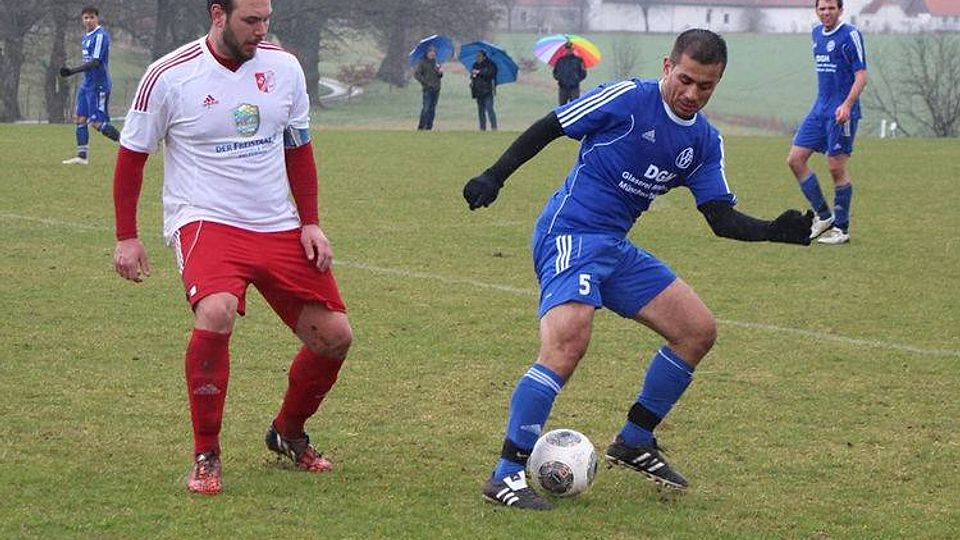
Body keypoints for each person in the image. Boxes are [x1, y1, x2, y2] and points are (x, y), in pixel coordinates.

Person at [462, 29, 813, 510]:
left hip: (613, 246)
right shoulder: (629, 99)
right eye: (685, 79)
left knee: (697, 331)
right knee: (567, 344)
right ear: (668, 66)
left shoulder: (704, 141)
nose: (692, 94)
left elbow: (719, 217)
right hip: (569, 233)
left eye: (705, 86)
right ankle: (505, 474)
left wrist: (774, 230)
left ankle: (634, 440)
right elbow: (552, 125)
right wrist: (494, 176)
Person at [112, 0, 353, 496]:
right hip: (205, 220)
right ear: (218, 14)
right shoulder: (168, 76)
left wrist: (310, 222)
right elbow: (132, 158)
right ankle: (207, 453)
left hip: (276, 224)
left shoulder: (285, 68)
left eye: (266, 20)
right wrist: (126, 236)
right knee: (216, 311)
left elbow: (298, 147)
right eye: (250, 21)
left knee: (335, 337)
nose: (261, 30)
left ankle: (287, 432)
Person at [787, 0, 867, 245]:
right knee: (795, 159)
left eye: (831, 8)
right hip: (819, 110)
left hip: (842, 112)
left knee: (835, 167)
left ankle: (841, 229)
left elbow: (861, 76)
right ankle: (824, 216)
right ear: (817, 11)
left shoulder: (850, 35)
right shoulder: (816, 33)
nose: (826, 12)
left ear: (840, 10)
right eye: (822, 8)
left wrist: (847, 105)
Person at [60, 5, 120, 165]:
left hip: (98, 85)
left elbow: (95, 62)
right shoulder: (86, 37)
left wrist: (72, 71)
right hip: (87, 84)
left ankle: (130, 145)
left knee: (96, 123)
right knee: (80, 118)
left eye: (92, 17)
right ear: (82, 19)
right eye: (86, 17)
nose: (89, 20)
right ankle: (82, 157)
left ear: (97, 18)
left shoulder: (100, 36)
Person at [413, 46, 443, 130]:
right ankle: (421, 126)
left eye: (434, 52)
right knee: (426, 108)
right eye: (430, 51)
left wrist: (440, 72)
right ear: (427, 53)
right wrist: (426, 82)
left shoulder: (436, 62)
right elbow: (417, 74)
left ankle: (429, 127)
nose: (432, 53)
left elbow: (439, 76)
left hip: (436, 88)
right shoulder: (422, 62)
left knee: (432, 109)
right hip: (427, 89)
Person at [470, 50, 498, 131]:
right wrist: (472, 80)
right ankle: (482, 128)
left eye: (479, 56)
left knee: (489, 108)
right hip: (478, 91)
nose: (477, 58)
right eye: (477, 56)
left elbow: (490, 74)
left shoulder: (491, 64)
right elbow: (473, 76)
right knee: (480, 110)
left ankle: (494, 127)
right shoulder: (475, 64)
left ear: (484, 57)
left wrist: (479, 72)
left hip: (488, 91)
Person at [552, 41, 586, 105]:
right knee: (562, 107)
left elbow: (583, 73)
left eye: (570, 49)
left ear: (573, 49)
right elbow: (555, 72)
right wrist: (560, 79)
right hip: (563, 88)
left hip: (574, 88)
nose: (569, 50)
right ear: (565, 49)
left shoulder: (579, 60)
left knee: (574, 106)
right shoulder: (560, 60)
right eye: (567, 49)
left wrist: (576, 80)